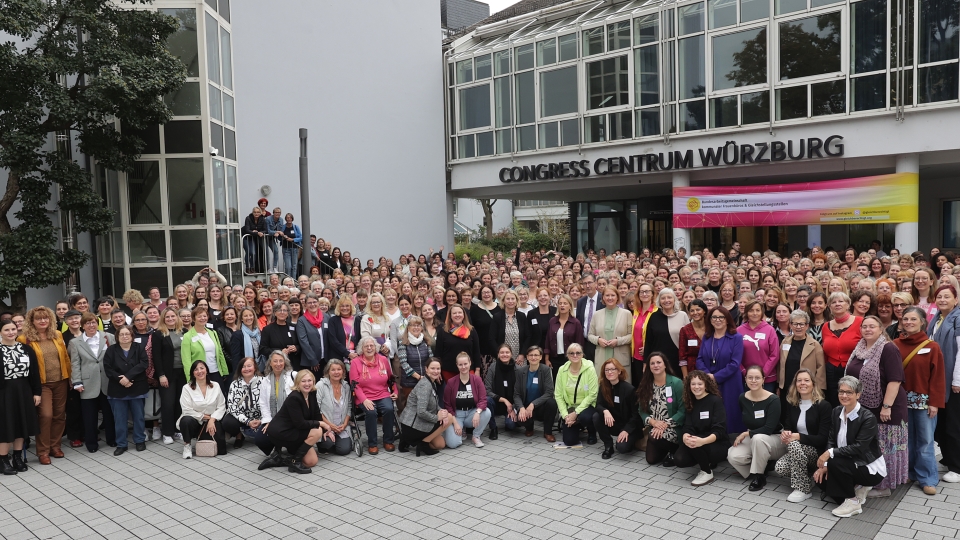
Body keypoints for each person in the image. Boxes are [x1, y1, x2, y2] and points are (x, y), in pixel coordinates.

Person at [843, 315, 908, 497]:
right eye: (864, 326)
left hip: (887, 407)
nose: (868, 330)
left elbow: (895, 380)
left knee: (884, 446)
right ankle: (869, 480)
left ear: (881, 329)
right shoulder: (860, 348)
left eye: (872, 326)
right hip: (865, 407)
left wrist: (886, 406)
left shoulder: (888, 349)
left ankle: (883, 486)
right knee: (870, 445)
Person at [813, 376, 886, 518]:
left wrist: (830, 454)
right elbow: (831, 440)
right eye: (841, 392)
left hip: (868, 467)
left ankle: (853, 502)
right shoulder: (836, 412)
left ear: (858, 395)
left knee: (835, 463)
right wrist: (826, 465)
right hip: (846, 463)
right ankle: (857, 488)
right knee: (821, 481)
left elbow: (858, 448)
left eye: (849, 392)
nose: (844, 395)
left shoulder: (867, 418)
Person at [893, 306, 945, 495]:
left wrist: (935, 403)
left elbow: (938, 377)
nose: (909, 323)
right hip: (900, 401)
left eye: (913, 319)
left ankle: (927, 478)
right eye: (906, 319)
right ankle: (908, 472)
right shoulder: (895, 345)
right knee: (906, 440)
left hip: (924, 402)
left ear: (923, 322)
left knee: (925, 441)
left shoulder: (932, 346)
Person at [18, 306, 71, 465]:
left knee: (59, 415)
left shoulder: (57, 334)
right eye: (38, 318)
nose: (43, 321)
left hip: (60, 380)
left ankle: (55, 446)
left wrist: (70, 377)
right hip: (41, 384)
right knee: (46, 415)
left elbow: (66, 358)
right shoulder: (24, 339)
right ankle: (43, 451)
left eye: (45, 318)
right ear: (31, 321)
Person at [775, 368, 833, 502]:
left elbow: (823, 439)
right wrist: (786, 433)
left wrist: (798, 437)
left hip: (816, 453)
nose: (803, 383)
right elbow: (788, 427)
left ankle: (803, 489)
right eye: (799, 380)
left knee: (794, 444)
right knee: (780, 467)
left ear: (813, 383)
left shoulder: (824, 406)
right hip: (797, 451)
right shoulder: (792, 404)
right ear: (795, 384)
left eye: (806, 380)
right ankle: (807, 479)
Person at [261, 370, 333, 473]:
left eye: (309, 380)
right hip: (281, 433)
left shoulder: (312, 393)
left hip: (295, 430)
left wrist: (325, 429)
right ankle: (295, 462)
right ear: (298, 383)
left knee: (311, 462)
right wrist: (321, 424)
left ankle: (280, 460)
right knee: (317, 431)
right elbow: (300, 423)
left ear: (313, 381)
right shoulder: (294, 397)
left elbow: (316, 414)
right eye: (303, 381)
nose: (307, 384)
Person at [727, 365, 786, 491]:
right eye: (750, 377)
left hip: (774, 438)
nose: (753, 381)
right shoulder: (742, 397)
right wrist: (748, 434)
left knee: (758, 439)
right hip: (754, 435)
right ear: (745, 379)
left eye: (757, 378)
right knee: (733, 456)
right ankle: (759, 468)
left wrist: (745, 434)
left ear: (764, 380)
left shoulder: (773, 399)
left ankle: (759, 477)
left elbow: (769, 428)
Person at [68, 313, 117, 452]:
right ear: (83, 326)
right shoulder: (75, 342)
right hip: (87, 382)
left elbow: (115, 356)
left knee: (109, 413)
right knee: (89, 416)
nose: (91, 325)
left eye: (94, 322)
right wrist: (77, 381)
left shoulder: (108, 337)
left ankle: (112, 439)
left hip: (107, 380)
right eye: (88, 323)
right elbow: (75, 364)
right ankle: (91, 443)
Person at [927, 284, 960, 484]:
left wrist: (957, 379)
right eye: (939, 297)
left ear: (956, 300)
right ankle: (948, 458)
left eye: (947, 297)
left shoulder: (957, 318)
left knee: (953, 425)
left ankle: (957, 467)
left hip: (953, 382)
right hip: (939, 379)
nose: (942, 300)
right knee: (942, 423)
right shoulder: (937, 319)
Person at [673, 370, 730, 486]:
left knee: (695, 444)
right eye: (693, 384)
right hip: (697, 439)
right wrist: (685, 437)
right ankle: (704, 459)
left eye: (700, 384)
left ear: (706, 385)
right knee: (679, 459)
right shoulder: (690, 401)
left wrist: (702, 441)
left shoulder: (715, 401)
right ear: (689, 386)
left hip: (717, 442)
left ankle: (706, 472)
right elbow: (688, 426)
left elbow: (719, 430)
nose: (696, 387)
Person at [695, 307, 746, 434]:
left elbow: (735, 363)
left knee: (730, 411)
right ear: (710, 320)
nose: (717, 320)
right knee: (711, 411)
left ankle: (732, 439)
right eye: (714, 317)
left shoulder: (736, 337)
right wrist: (707, 376)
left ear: (727, 319)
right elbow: (699, 359)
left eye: (721, 317)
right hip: (708, 381)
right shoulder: (707, 337)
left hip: (730, 381)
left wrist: (715, 377)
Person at [0, 319, 41, 474]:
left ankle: (17, 457)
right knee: (6, 426)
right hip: (4, 392)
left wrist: (37, 392)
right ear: (1, 332)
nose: (11, 332)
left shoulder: (26, 349)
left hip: (23, 390)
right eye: (6, 330)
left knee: (21, 424)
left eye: (13, 329)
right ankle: (3, 459)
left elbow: (35, 373)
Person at [102, 326, 149, 455]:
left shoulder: (139, 348)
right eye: (121, 334)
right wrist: (120, 379)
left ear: (132, 335)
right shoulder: (111, 350)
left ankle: (140, 441)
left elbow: (144, 363)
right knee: (120, 419)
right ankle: (122, 444)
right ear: (117, 337)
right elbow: (108, 368)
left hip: (137, 388)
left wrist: (128, 377)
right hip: (117, 389)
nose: (124, 336)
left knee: (138, 417)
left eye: (127, 334)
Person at [633, 351, 685, 466]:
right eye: (652, 363)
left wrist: (665, 424)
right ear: (649, 367)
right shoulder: (646, 384)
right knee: (651, 460)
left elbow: (683, 410)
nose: (656, 365)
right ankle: (665, 448)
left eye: (658, 362)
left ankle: (674, 449)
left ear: (665, 364)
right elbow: (642, 411)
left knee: (653, 437)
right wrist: (654, 422)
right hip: (655, 427)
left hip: (674, 427)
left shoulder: (676, 383)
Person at [350, 336, 398, 454]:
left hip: (382, 393)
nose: (369, 348)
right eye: (366, 346)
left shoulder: (383, 360)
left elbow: (391, 379)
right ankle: (372, 443)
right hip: (364, 396)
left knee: (388, 409)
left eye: (371, 345)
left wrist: (395, 391)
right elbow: (355, 385)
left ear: (376, 347)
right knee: (371, 412)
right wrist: (364, 399)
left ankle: (388, 440)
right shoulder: (355, 362)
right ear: (362, 348)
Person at [398, 358, 452, 455]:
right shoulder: (425, 385)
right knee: (450, 417)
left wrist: (442, 411)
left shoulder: (431, 381)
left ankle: (408, 440)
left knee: (440, 444)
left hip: (415, 423)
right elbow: (421, 412)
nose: (436, 371)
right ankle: (423, 443)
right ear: (426, 369)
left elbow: (434, 403)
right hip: (413, 426)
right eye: (432, 368)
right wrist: (438, 418)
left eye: (438, 369)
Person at [177, 360, 227, 459]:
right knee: (185, 420)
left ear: (207, 370)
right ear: (193, 373)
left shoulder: (215, 385)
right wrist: (203, 416)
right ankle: (187, 445)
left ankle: (203, 438)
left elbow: (221, 406)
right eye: (196, 369)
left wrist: (212, 419)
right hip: (195, 420)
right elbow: (186, 409)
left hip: (212, 420)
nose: (199, 371)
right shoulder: (187, 388)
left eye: (202, 368)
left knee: (222, 450)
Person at [779, 309, 827, 409]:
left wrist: (819, 389)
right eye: (795, 324)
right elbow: (780, 365)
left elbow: (821, 368)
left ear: (807, 326)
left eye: (801, 324)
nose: (798, 327)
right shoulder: (785, 342)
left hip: (805, 388)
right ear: (791, 325)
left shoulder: (815, 345)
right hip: (787, 387)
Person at [442, 351, 491, 449]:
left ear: (470, 363)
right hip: (457, 415)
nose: (463, 367)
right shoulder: (451, 382)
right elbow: (447, 404)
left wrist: (477, 412)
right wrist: (455, 423)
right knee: (453, 444)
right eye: (460, 364)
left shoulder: (477, 380)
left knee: (487, 412)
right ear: (457, 365)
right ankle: (461, 430)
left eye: (465, 364)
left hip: (471, 413)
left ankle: (476, 436)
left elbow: (483, 399)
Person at [222, 357, 271, 452]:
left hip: (261, 417)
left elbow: (269, 403)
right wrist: (247, 421)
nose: (246, 369)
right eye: (243, 366)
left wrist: (261, 420)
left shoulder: (264, 381)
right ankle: (239, 436)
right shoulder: (234, 384)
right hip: (242, 417)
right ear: (240, 369)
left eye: (249, 366)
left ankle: (260, 433)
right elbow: (232, 407)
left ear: (255, 368)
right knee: (227, 422)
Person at [822, 292, 862, 407]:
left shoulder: (860, 322)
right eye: (833, 302)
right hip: (831, 371)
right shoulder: (825, 326)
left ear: (848, 304)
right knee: (835, 403)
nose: (837, 304)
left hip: (854, 369)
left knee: (853, 402)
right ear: (829, 307)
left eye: (841, 301)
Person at [554, 343, 598, 447]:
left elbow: (593, 394)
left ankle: (592, 432)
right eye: (571, 353)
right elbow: (558, 395)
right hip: (570, 408)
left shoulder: (590, 369)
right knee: (569, 442)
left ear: (582, 355)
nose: (575, 355)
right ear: (567, 355)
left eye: (578, 353)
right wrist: (565, 416)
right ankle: (576, 424)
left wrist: (576, 413)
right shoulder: (562, 370)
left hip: (587, 406)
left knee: (585, 417)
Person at [593, 358, 637, 458]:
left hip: (628, 426)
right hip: (613, 423)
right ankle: (608, 446)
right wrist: (605, 411)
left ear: (619, 371)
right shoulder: (603, 386)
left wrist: (626, 430)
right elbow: (598, 404)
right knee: (596, 416)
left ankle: (632, 440)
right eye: (607, 370)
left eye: (613, 369)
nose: (610, 372)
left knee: (622, 448)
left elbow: (635, 416)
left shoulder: (629, 389)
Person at [181, 307, 230, 396]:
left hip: (215, 371)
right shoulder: (187, 336)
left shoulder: (213, 333)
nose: (203, 318)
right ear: (194, 318)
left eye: (205, 316)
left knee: (220, 398)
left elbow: (219, 353)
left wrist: (224, 371)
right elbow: (186, 359)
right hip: (199, 374)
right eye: (199, 316)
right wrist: (190, 378)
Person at [642, 288, 690, 378]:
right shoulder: (654, 317)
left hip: (678, 360)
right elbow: (648, 341)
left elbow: (689, 338)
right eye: (663, 298)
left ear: (674, 300)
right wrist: (645, 363)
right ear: (659, 301)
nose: (666, 300)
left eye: (669, 297)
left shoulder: (682, 315)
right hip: (658, 361)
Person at [513, 346, 557, 442]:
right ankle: (529, 428)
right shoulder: (521, 371)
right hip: (525, 406)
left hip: (540, 406)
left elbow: (549, 392)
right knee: (521, 420)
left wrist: (533, 404)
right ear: (527, 357)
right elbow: (516, 394)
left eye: (536, 355)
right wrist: (521, 408)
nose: (533, 357)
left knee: (552, 403)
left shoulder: (545, 370)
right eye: (531, 355)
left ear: (541, 357)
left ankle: (548, 432)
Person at [154, 308, 185, 445]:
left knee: (180, 402)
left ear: (177, 317)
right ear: (163, 319)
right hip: (167, 373)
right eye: (168, 317)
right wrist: (161, 375)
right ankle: (167, 432)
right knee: (168, 403)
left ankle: (178, 430)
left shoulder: (184, 332)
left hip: (183, 372)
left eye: (173, 316)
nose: (171, 319)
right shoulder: (159, 334)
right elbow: (156, 357)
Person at [737, 300, 779, 393]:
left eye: (757, 310)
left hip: (767, 379)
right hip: (745, 379)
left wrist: (762, 374)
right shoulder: (739, 330)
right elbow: (735, 355)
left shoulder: (769, 330)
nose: (754, 313)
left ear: (762, 312)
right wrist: (745, 373)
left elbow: (774, 355)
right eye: (751, 310)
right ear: (746, 312)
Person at [315, 358, 353, 456]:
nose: (336, 372)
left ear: (343, 371)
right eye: (333, 370)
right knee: (328, 443)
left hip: (341, 426)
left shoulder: (346, 387)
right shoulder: (321, 385)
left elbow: (349, 406)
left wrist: (344, 424)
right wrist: (330, 426)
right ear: (328, 371)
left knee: (344, 450)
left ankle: (337, 441)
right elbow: (316, 409)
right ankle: (323, 444)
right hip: (326, 425)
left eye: (339, 369)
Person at [434, 304, 481, 380]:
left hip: (467, 370)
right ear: (450, 316)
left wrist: (477, 370)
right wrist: (437, 370)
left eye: (459, 313)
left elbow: (476, 351)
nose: (457, 315)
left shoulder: (471, 330)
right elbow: (438, 353)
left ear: (464, 315)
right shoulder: (443, 331)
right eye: (454, 313)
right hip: (448, 371)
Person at [544, 294, 584, 379]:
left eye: (565, 303)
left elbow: (580, 343)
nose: (562, 305)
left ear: (570, 306)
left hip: (570, 359)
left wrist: (578, 359)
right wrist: (547, 359)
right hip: (554, 359)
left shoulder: (575, 323)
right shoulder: (552, 321)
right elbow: (547, 341)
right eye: (560, 303)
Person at [489, 290, 530, 367]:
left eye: (513, 298)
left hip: (519, 359)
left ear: (517, 300)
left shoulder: (522, 316)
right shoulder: (497, 317)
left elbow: (528, 336)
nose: (510, 301)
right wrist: (499, 354)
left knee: (520, 378)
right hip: (502, 357)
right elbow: (492, 338)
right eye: (508, 299)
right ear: (503, 301)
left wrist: (522, 354)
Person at [484, 344, 516, 440]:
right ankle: (493, 428)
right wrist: (504, 400)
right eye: (502, 352)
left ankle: (510, 419)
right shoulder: (492, 368)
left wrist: (514, 407)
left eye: (507, 352)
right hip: (496, 402)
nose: (504, 355)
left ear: (511, 354)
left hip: (511, 404)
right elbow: (487, 390)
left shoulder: (517, 369)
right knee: (487, 400)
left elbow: (520, 392)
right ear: (498, 354)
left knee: (511, 425)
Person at [631, 283, 657, 384]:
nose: (644, 294)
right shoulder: (635, 311)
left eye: (647, 291)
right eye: (642, 292)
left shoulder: (657, 312)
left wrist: (647, 349)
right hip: (635, 356)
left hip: (649, 356)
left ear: (652, 294)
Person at [329, 295, 361, 371]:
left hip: (355, 357)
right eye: (342, 306)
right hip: (339, 357)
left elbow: (360, 338)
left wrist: (356, 353)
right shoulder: (333, 321)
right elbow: (333, 340)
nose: (345, 308)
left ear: (351, 307)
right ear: (338, 307)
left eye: (347, 306)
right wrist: (347, 353)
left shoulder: (357, 320)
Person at [678, 299, 707, 379]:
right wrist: (685, 376)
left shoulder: (711, 328)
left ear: (704, 311)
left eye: (698, 309)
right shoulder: (685, 330)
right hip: (692, 370)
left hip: (710, 368)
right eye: (692, 311)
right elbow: (682, 356)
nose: (695, 313)